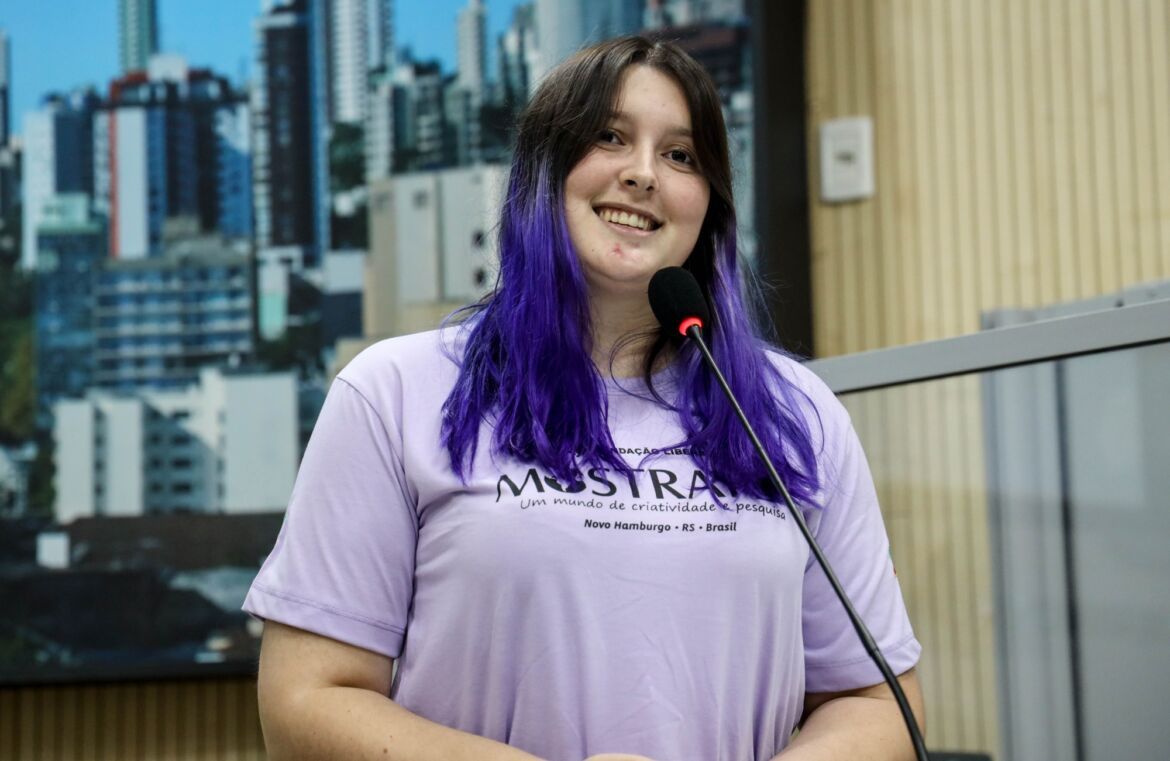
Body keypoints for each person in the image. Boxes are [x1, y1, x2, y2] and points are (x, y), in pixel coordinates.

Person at [244, 35, 923, 761]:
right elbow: (305, 702)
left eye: (680, 155)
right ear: (543, 169)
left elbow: (877, 702)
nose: (642, 174)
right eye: (610, 137)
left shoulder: (796, 414)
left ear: (711, 203)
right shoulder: (395, 390)